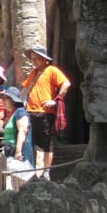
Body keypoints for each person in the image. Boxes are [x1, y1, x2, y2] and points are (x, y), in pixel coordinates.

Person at [21, 46, 70, 180]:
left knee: (46, 143)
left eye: (37, 58)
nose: (34, 61)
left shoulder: (52, 70)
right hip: (30, 112)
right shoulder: (34, 73)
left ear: (44, 59)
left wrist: (56, 100)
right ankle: (34, 171)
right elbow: (25, 88)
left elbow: (66, 83)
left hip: (45, 112)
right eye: (32, 59)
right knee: (31, 142)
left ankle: (46, 172)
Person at [0, 86, 35, 190]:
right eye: (3, 98)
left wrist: (18, 152)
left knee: (21, 182)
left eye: (6, 98)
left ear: (14, 100)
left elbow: (22, 131)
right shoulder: (10, 114)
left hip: (18, 153)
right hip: (9, 152)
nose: (3, 101)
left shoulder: (20, 112)